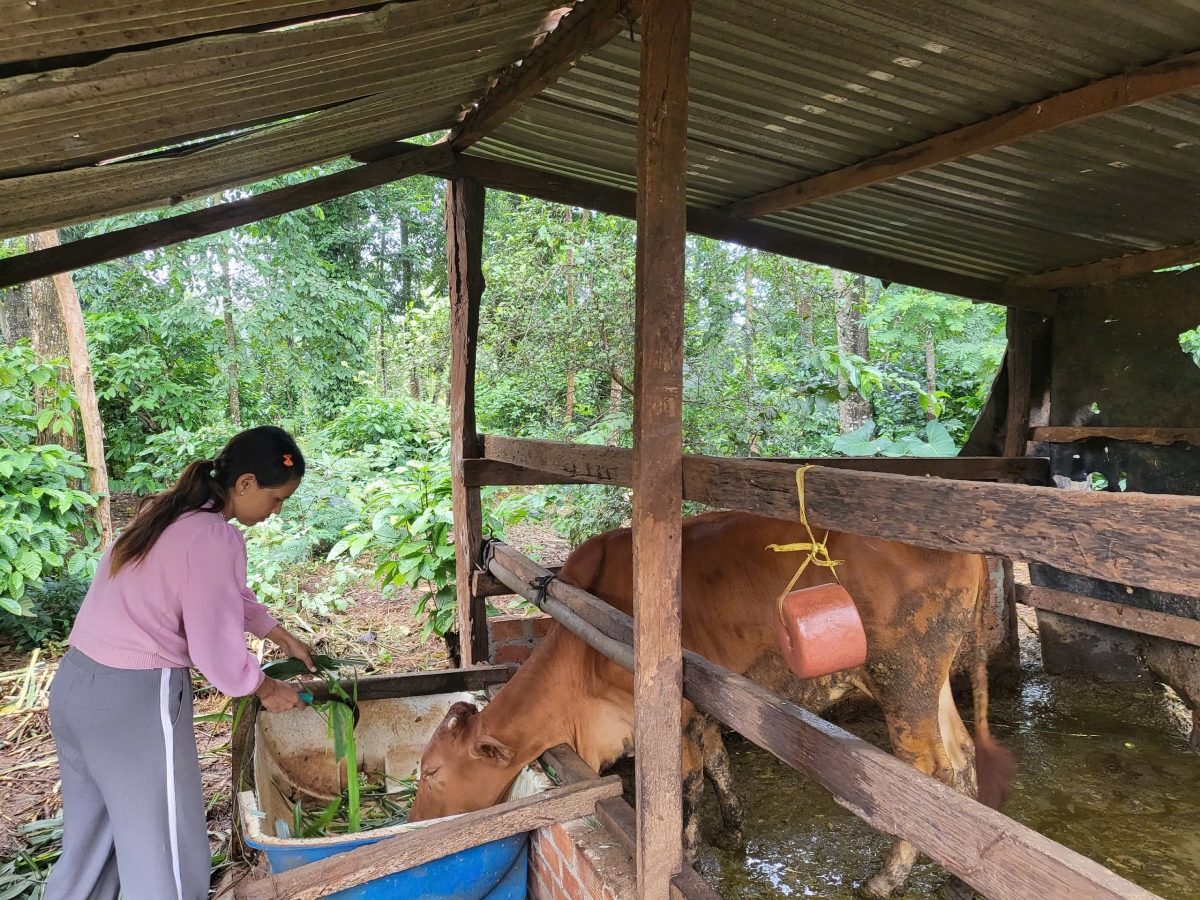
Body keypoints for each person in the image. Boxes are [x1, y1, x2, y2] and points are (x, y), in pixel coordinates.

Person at [46, 426, 316, 900]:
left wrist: (277, 632)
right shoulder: (214, 537)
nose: (277, 512)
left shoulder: (166, 514)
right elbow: (214, 645)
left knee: (94, 843)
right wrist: (264, 687)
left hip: (76, 687)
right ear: (246, 484)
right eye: (277, 499)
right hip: (134, 701)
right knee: (165, 852)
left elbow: (220, 593)